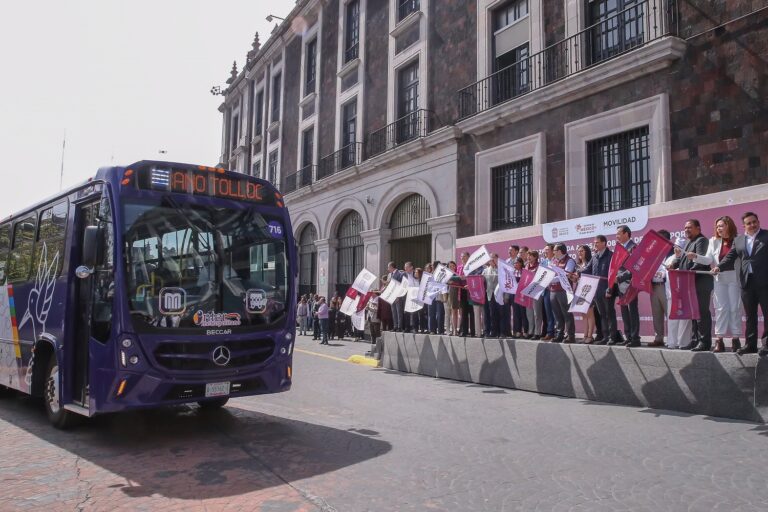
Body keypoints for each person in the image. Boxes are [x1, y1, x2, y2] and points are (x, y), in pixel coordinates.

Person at [714, 212, 768, 356]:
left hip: (765, 282)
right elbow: (730, 256)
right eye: (749, 223)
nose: (752, 225)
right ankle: (750, 345)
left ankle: (766, 345)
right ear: (744, 225)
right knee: (750, 315)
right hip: (746, 283)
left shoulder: (766, 236)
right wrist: (719, 267)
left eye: (754, 222)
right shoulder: (738, 240)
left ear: (758, 221)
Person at [691, 216, 742, 352]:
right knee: (720, 309)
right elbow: (708, 260)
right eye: (717, 226)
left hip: (735, 278)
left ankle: (736, 339)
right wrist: (696, 256)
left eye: (722, 226)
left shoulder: (738, 239)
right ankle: (719, 340)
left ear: (729, 226)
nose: (719, 229)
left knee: (734, 308)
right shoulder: (713, 241)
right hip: (719, 278)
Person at [674, 219, 713, 351]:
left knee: (702, 313)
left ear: (698, 228)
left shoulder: (701, 240)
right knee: (693, 313)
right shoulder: (688, 243)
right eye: (685, 228)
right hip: (690, 283)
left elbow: (701, 261)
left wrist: (688, 273)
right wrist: (674, 264)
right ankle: (695, 340)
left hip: (701, 282)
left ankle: (705, 342)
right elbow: (683, 262)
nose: (686, 230)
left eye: (690, 227)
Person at [588, 235, 618, 345]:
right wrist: (577, 273)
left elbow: (613, 273)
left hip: (607, 290)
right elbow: (587, 269)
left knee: (610, 313)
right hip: (596, 291)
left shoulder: (610, 256)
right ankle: (605, 336)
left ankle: (613, 337)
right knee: (602, 315)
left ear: (604, 243)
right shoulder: (594, 256)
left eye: (597, 242)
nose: (595, 244)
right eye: (594, 243)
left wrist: (610, 289)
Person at [613, 225, 639, 346]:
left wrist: (620, 277)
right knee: (624, 312)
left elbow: (634, 267)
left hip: (630, 284)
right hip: (619, 285)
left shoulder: (633, 247)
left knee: (632, 311)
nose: (616, 236)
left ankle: (635, 338)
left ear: (626, 234)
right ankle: (628, 337)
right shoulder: (619, 248)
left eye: (619, 233)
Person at [648, 230, 673, 347]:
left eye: (660, 238)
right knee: (656, 314)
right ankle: (659, 338)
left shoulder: (672, 252)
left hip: (666, 287)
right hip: (653, 286)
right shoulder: (653, 252)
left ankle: (672, 339)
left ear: (667, 240)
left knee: (670, 313)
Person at [664, 243, 692, 349]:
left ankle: (683, 343)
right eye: (676, 246)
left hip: (685, 292)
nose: (677, 249)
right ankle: (672, 342)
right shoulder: (669, 259)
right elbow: (664, 275)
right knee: (672, 319)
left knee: (685, 319)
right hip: (671, 293)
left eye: (680, 246)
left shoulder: (688, 257)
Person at [549, 244, 576, 343]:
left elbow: (565, 275)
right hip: (553, 291)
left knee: (567, 313)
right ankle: (559, 334)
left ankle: (571, 335)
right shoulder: (554, 261)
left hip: (564, 291)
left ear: (560, 251)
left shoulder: (569, 261)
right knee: (557, 315)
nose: (553, 252)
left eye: (555, 250)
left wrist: (550, 280)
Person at [575, 244, 596, 343]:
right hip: (579, 290)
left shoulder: (590, 263)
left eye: (582, 251)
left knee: (590, 314)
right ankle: (585, 335)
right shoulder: (577, 265)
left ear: (587, 252)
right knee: (583, 314)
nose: (580, 252)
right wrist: (573, 278)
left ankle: (590, 336)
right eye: (579, 251)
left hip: (588, 290)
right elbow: (576, 280)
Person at [525, 250, 543, 340]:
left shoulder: (539, 266)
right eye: (528, 256)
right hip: (527, 292)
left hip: (536, 291)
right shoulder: (526, 266)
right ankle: (530, 331)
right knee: (529, 313)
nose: (528, 257)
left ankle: (537, 332)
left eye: (530, 256)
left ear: (535, 257)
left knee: (537, 313)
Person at [457, 252, 476, 337]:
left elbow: (476, 278)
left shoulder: (473, 266)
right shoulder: (459, 267)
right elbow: (456, 278)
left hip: (471, 292)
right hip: (462, 291)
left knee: (471, 312)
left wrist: (470, 285)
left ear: (469, 257)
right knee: (463, 312)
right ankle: (463, 331)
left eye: (464, 256)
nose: (462, 258)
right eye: (461, 256)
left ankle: (472, 331)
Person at [540, 244, 556, 340]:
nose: (545, 252)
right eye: (544, 250)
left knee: (556, 312)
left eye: (547, 250)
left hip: (555, 289)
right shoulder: (543, 262)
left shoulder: (556, 261)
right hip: (546, 290)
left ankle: (559, 332)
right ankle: (550, 332)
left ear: (552, 251)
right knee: (548, 312)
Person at [482, 255, 500, 337]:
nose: (492, 260)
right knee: (488, 313)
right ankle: (487, 331)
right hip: (488, 294)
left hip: (498, 294)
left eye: (494, 259)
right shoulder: (485, 271)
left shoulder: (500, 270)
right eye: (491, 259)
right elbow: (480, 281)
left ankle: (495, 331)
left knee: (496, 313)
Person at [510, 257, 529, 337]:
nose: (515, 264)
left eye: (517, 263)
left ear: (521, 263)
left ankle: (525, 331)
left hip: (522, 295)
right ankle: (518, 331)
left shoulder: (524, 272)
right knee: (516, 313)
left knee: (523, 313)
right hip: (514, 295)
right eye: (514, 263)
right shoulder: (512, 272)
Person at [387, 261, 404, 332]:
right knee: (393, 312)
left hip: (397, 296)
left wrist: (398, 295)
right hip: (392, 296)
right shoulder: (389, 275)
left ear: (391, 267)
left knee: (399, 312)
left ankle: (400, 326)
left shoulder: (400, 273)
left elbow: (401, 286)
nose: (387, 269)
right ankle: (395, 326)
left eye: (388, 267)